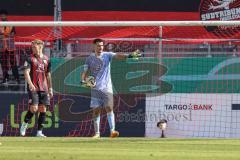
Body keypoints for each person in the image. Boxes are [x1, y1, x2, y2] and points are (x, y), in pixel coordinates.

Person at [81, 38, 141, 138]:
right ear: (94, 46)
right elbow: (85, 72)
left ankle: (112, 131)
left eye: (101, 45)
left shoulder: (107, 55)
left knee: (109, 107)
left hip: (107, 88)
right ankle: (97, 133)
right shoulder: (89, 58)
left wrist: (130, 55)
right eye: (98, 45)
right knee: (96, 111)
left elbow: (118, 55)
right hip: (95, 88)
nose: (100, 47)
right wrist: (83, 80)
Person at [20, 39, 53, 137]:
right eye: (32, 47)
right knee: (34, 108)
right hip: (33, 87)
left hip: (44, 88)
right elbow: (26, 72)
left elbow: (48, 75)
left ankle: (39, 132)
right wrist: (30, 84)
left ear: (41, 46)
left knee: (43, 109)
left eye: (34, 47)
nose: (33, 49)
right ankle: (24, 124)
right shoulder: (29, 59)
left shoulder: (47, 59)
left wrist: (50, 88)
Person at [0, 9, 20, 85]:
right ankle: (5, 78)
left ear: (6, 15)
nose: (2, 16)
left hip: (11, 47)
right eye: (1, 15)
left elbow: (13, 34)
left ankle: (17, 78)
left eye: (4, 15)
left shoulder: (11, 24)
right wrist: (5, 35)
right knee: (3, 64)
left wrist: (4, 35)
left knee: (13, 63)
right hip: (2, 48)